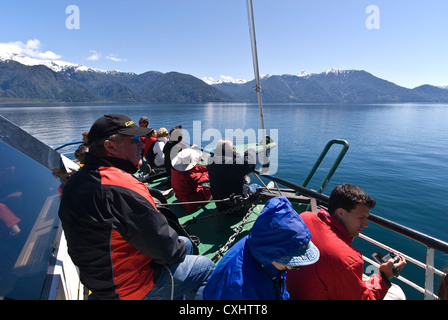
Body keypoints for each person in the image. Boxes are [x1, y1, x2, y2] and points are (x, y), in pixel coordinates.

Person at [58, 114, 214, 300]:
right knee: (206, 267)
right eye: (134, 140)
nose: (141, 144)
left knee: (186, 244)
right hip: (128, 288)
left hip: (99, 279)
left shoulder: (75, 181)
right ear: (110, 146)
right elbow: (167, 251)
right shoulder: (121, 186)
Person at [286, 184, 407, 300]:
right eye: (361, 218)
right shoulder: (348, 259)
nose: (366, 224)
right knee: (397, 293)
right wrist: (384, 276)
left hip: (290, 291)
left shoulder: (305, 217)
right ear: (341, 213)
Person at [203, 196, 320, 300]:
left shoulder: (259, 244)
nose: (297, 268)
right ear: (271, 255)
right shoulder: (241, 290)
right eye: (293, 265)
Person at [207, 139, 258, 216]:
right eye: (233, 148)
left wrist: (233, 153)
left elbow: (234, 161)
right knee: (256, 186)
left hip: (221, 206)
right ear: (227, 149)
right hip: (236, 209)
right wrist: (250, 151)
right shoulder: (229, 164)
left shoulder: (211, 159)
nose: (234, 150)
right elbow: (249, 163)